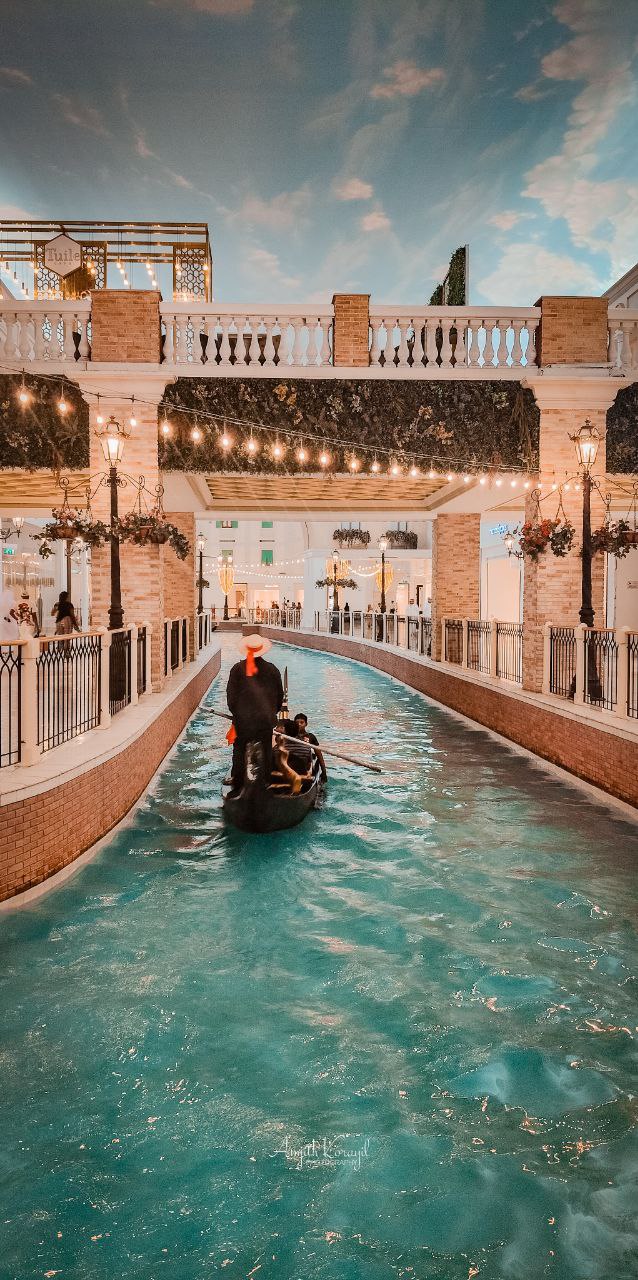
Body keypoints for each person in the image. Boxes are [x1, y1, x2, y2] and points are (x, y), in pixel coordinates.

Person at [226, 633, 284, 789]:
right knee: (266, 750)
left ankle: (237, 780)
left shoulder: (237, 670)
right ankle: (266, 781)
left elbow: (231, 698)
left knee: (239, 749)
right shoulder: (273, 670)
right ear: (263, 651)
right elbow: (280, 697)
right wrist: (271, 713)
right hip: (265, 721)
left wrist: (237, 715)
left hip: (243, 721)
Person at [289, 711, 327, 783]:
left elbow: (319, 755)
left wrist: (324, 772)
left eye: (302, 722)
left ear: (306, 724)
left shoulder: (310, 737)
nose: (299, 725)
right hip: (292, 764)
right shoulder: (289, 736)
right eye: (297, 723)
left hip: (305, 765)